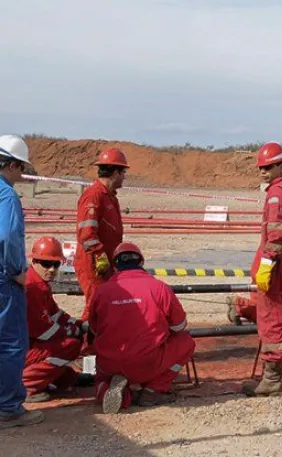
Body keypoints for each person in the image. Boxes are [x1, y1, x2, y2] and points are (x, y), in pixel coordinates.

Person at [88, 242, 194, 413]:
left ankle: (106, 390)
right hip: (147, 364)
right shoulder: (159, 288)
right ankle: (154, 390)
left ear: (115, 266)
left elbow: (94, 330)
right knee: (186, 342)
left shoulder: (101, 291)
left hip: (109, 363)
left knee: (101, 378)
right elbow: (179, 326)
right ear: (141, 262)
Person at [242, 142, 282, 396]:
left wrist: (267, 263)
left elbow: (277, 232)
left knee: (273, 322)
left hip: (279, 270)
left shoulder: (277, 192)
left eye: (268, 167)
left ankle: (272, 380)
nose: (263, 172)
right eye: (261, 168)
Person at [0, 135, 43, 428]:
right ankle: (8, 408)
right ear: (12, 165)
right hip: (4, 282)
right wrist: (17, 270)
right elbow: (7, 236)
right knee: (11, 343)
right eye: (21, 167)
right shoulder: (7, 196)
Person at [23, 237, 93, 402]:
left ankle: (63, 380)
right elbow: (44, 331)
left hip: (27, 343)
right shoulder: (32, 288)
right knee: (69, 346)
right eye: (46, 264)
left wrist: (79, 324)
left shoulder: (40, 283)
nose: (52, 269)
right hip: (22, 348)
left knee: (66, 363)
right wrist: (73, 331)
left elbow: (56, 314)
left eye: (56, 264)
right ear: (34, 261)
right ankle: (25, 385)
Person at [75, 148, 128, 318]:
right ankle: (87, 335)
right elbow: (86, 234)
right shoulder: (93, 196)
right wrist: (100, 255)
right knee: (96, 306)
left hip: (105, 264)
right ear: (115, 172)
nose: (124, 177)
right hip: (94, 264)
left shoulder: (109, 197)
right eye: (123, 173)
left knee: (106, 305)